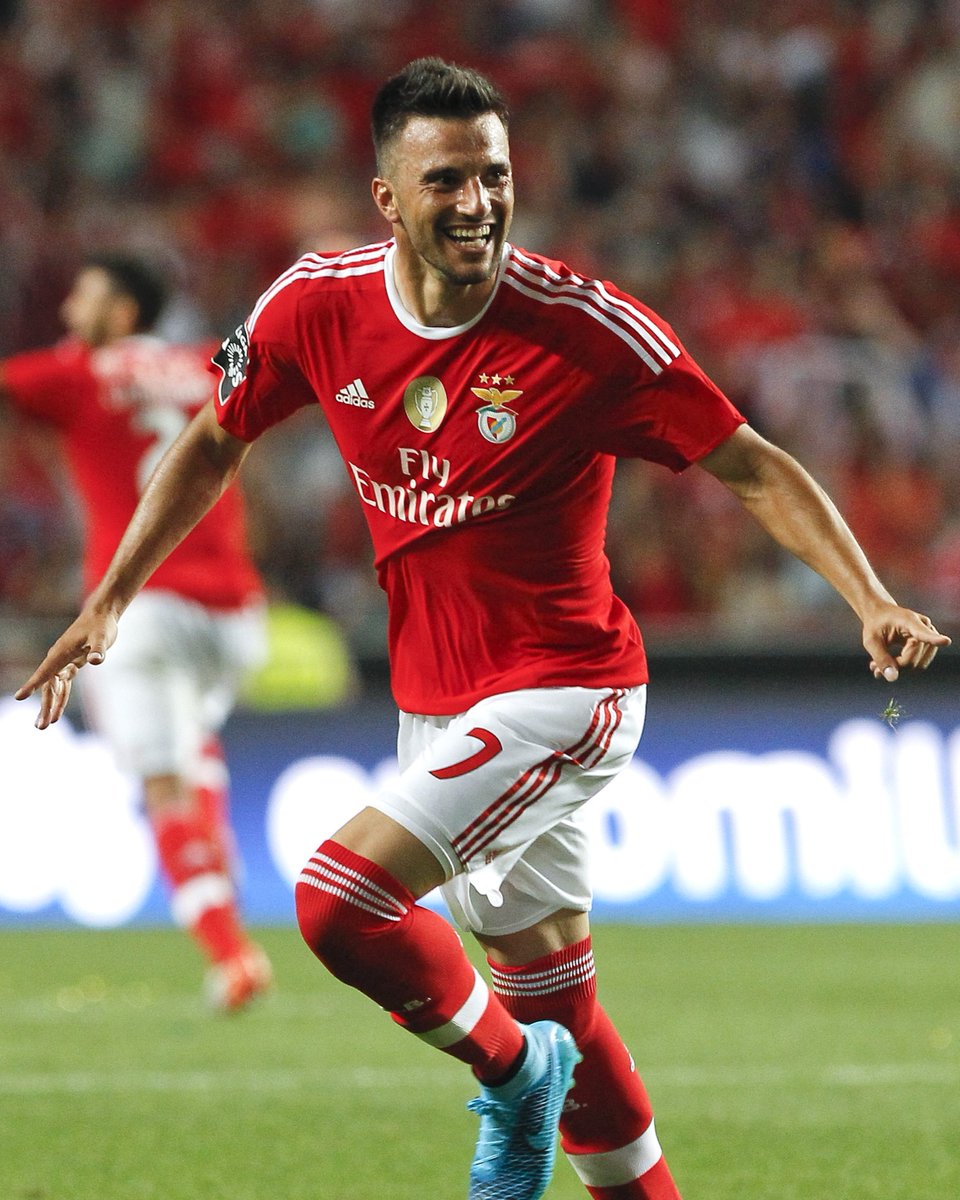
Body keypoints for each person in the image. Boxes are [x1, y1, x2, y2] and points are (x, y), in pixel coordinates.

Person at [15, 60, 950, 1200]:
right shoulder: (314, 306)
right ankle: (552, 1079)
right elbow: (214, 437)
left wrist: (869, 598)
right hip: (439, 701)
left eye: (495, 176)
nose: (478, 203)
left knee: (338, 900)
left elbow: (751, 466)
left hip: (567, 688)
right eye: (447, 180)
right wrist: (110, 597)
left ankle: (512, 1078)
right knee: (562, 1007)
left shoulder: (587, 333)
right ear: (387, 198)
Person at [2, 253, 272, 1012]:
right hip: (235, 610)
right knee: (191, 748)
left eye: (82, 298)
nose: (68, 314)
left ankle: (230, 953)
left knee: (160, 784)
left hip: (141, 610)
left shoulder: (76, 374)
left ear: (122, 312)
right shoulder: (205, 361)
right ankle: (218, 867)